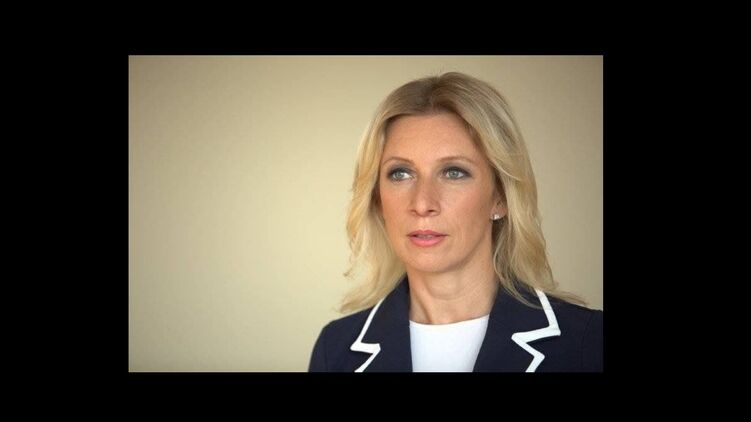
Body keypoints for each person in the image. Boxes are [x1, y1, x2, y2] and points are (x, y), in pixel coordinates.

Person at [309, 72, 603, 372]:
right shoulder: (335, 350)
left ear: (500, 197)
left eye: (453, 172)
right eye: (401, 173)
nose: (422, 203)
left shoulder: (589, 342)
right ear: (377, 199)